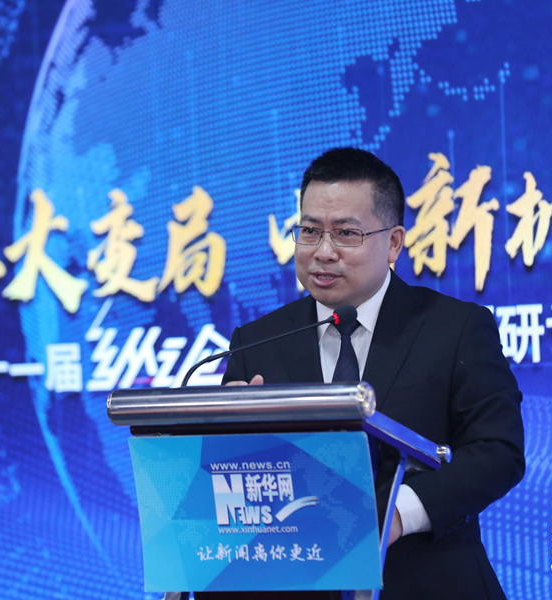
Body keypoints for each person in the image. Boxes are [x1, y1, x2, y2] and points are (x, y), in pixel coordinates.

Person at [211, 147, 525, 600]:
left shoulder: (455, 328)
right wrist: (231, 441)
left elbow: (497, 450)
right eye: (309, 231)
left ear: (394, 242)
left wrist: (396, 514)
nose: (323, 252)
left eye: (346, 234)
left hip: (427, 585)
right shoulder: (257, 341)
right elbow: (237, 486)